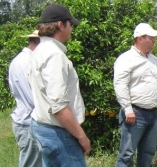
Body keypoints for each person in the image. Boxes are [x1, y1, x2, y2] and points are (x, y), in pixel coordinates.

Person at [29, 4, 90, 166]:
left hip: (44, 128)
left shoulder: (39, 50)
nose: (72, 29)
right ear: (60, 25)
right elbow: (59, 105)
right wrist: (81, 136)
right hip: (59, 133)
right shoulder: (54, 55)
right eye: (70, 24)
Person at [114, 23, 157, 167]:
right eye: (151, 38)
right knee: (127, 154)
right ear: (140, 39)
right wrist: (127, 109)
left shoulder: (155, 60)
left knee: (148, 152)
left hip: (152, 113)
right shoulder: (126, 58)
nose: (154, 41)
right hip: (135, 113)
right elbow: (120, 85)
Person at [8, 30, 43, 167]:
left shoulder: (19, 60)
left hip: (25, 120)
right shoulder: (27, 63)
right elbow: (33, 99)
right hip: (29, 123)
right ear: (38, 43)